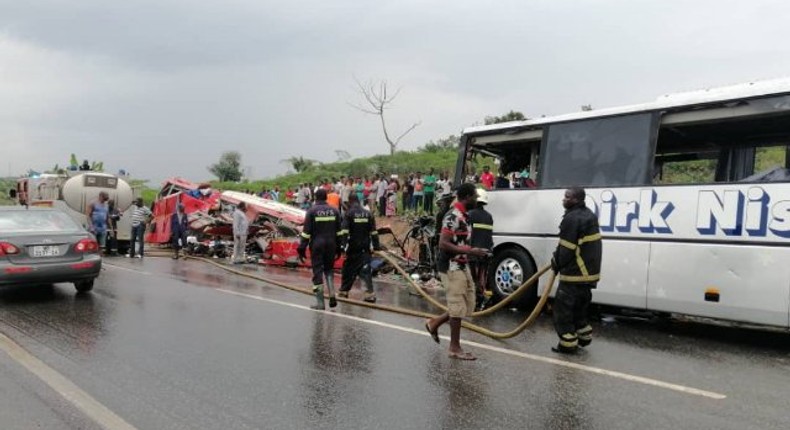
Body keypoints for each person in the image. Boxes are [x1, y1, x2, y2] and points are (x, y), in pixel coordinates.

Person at [424, 183, 489, 360]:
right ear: (467, 197)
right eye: (475, 196)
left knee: (468, 303)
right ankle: (454, 348)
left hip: (462, 264)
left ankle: (434, 323)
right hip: (451, 266)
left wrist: (473, 251)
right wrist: (470, 251)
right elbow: (443, 243)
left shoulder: (465, 216)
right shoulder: (453, 216)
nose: (477, 199)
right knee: (458, 306)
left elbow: (459, 242)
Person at [550, 187, 602, 354]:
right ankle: (584, 337)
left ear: (577, 199)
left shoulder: (571, 219)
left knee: (563, 311)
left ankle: (567, 344)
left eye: (567, 197)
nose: (563, 200)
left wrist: (556, 262)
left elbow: (566, 249)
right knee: (580, 309)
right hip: (588, 275)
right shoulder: (590, 215)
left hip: (574, 274)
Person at [298, 189, 342, 310]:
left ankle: (320, 303)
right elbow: (339, 232)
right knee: (329, 269)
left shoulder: (311, 211)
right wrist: (339, 247)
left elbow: (306, 233)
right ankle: (332, 293)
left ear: (315, 198)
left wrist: (301, 248)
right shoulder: (335, 211)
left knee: (317, 271)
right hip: (331, 244)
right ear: (326, 198)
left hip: (317, 245)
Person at [338, 194, 381, 303]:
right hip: (365, 248)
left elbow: (344, 232)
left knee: (348, 270)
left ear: (350, 202)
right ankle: (369, 294)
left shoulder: (349, 214)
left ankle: (344, 291)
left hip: (353, 248)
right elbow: (374, 232)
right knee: (365, 271)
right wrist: (376, 247)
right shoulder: (368, 214)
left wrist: (342, 247)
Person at [468, 188, 494, 309]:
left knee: (473, 277)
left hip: (473, 251)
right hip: (486, 251)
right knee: (482, 275)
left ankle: (475, 299)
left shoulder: (470, 214)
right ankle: (480, 297)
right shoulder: (489, 216)